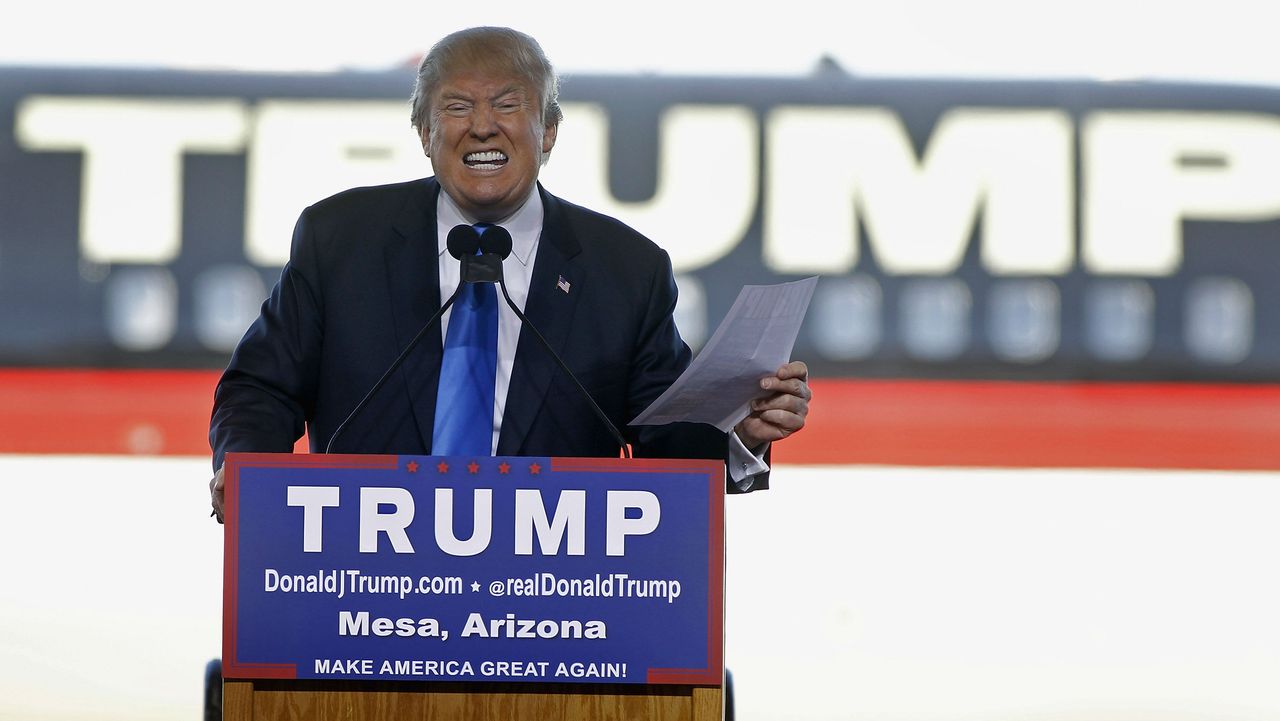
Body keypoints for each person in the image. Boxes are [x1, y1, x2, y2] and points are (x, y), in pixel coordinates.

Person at [208, 26, 810, 522]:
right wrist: (244, 472)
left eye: (507, 104)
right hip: (361, 584)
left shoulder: (625, 270)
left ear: (548, 131)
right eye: (457, 106)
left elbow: (668, 438)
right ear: (425, 133)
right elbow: (262, 388)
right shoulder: (341, 239)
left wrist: (742, 435)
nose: (482, 126)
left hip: (549, 608)